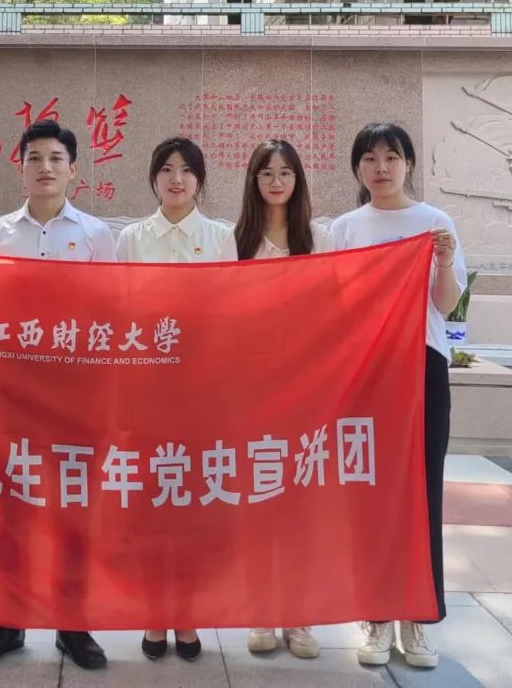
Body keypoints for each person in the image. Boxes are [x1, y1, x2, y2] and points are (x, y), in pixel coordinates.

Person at [0, 119, 115, 671]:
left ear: (73, 169)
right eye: (35, 158)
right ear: (20, 167)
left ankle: (73, 624)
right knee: (12, 515)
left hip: (77, 398)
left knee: (75, 514)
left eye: (56, 159)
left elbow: (111, 318)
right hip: (14, 397)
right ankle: (8, 622)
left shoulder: (97, 235)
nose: (45, 167)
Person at [327, 122, 465, 670]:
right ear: (357, 168)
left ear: (408, 163)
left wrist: (445, 262)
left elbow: (446, 305)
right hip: (365, 372)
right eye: (369, 158)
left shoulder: (435, 223)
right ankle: (376, 614)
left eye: (391, 156)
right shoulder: (343, 228)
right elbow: (332, 304)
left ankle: (418, 616)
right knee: (371, 494)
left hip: (423, 367)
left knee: (423, 492)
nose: (380, 167)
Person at [116, 136, 237, 662]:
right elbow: (118, 314)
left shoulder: (221, 237)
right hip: (146, 392)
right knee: (150, 507)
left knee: (193, 505)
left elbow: (231, 316)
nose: (177, 179)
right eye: (166, 169)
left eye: (187, 170)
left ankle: (187, 612)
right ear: (153, 178)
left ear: (200, 179)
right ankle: (153, 612)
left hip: (203, 394)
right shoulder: (131, 239)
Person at [233, 139, 321, 659]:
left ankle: (300, 616)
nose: (276, 181)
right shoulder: (236, 241)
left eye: (285, 172)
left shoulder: (319, 238)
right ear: (254, 181)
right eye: (266, 173)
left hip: (306, 389)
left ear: (297, 180)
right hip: (251, 390)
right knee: (259, 502)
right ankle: (261, 610)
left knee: (300, 506)